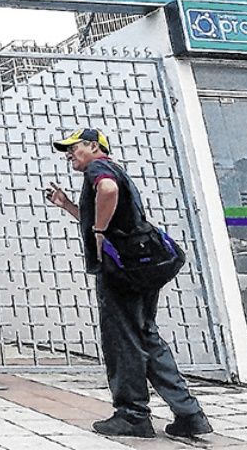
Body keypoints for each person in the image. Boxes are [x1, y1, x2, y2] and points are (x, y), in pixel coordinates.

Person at [44, 128, 213, 440]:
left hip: (121, 273)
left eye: (73, 147)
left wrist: (98, 232)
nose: (68, 153)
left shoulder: (98, 168)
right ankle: (190, 414)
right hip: (140, 268)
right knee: (146, 337)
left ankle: (133, 415)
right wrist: (67, 205)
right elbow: (104, 212)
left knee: (123, 341)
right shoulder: (113, 169)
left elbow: (107, 192)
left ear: (93, 146)